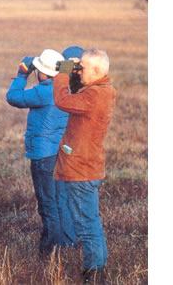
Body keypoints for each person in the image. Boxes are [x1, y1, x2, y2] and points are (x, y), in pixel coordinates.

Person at [6, 48, 79, 256]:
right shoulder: (65, 89)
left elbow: (13, 97)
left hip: (43, 155)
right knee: (61, 200)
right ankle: (69, 244)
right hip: (61, 153)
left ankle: (51, 250)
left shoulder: (44, 91)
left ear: (42, 72)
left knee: (47, 204)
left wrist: (21, 74)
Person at [54, 49, 116, 284]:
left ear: (98, 71)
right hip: (88, 166)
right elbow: (78, 95)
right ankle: (97, 269)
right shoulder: (100, 91)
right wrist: (74, 73)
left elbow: (62, 101)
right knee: (90, 220)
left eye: (83, 70)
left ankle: (94, 273)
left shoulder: (95, 95)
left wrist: (63, 72)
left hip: (81, 170)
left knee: (86, 224)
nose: (79, 74)